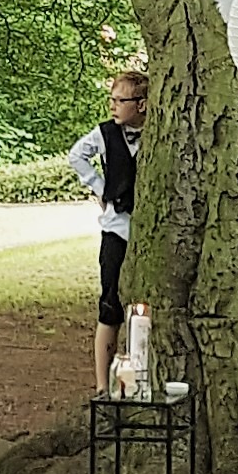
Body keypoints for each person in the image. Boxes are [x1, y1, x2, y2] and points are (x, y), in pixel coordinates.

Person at [71, 64, 147, 393]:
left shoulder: (162, 134)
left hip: (147, 231)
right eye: (112, 100)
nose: (113, 107)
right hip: (117, 228)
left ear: (141, 104)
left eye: (120, 100)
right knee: (110, 304)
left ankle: (139, 380)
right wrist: (102, 189)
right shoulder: (105, 133)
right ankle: (102, 386)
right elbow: (77, 156)